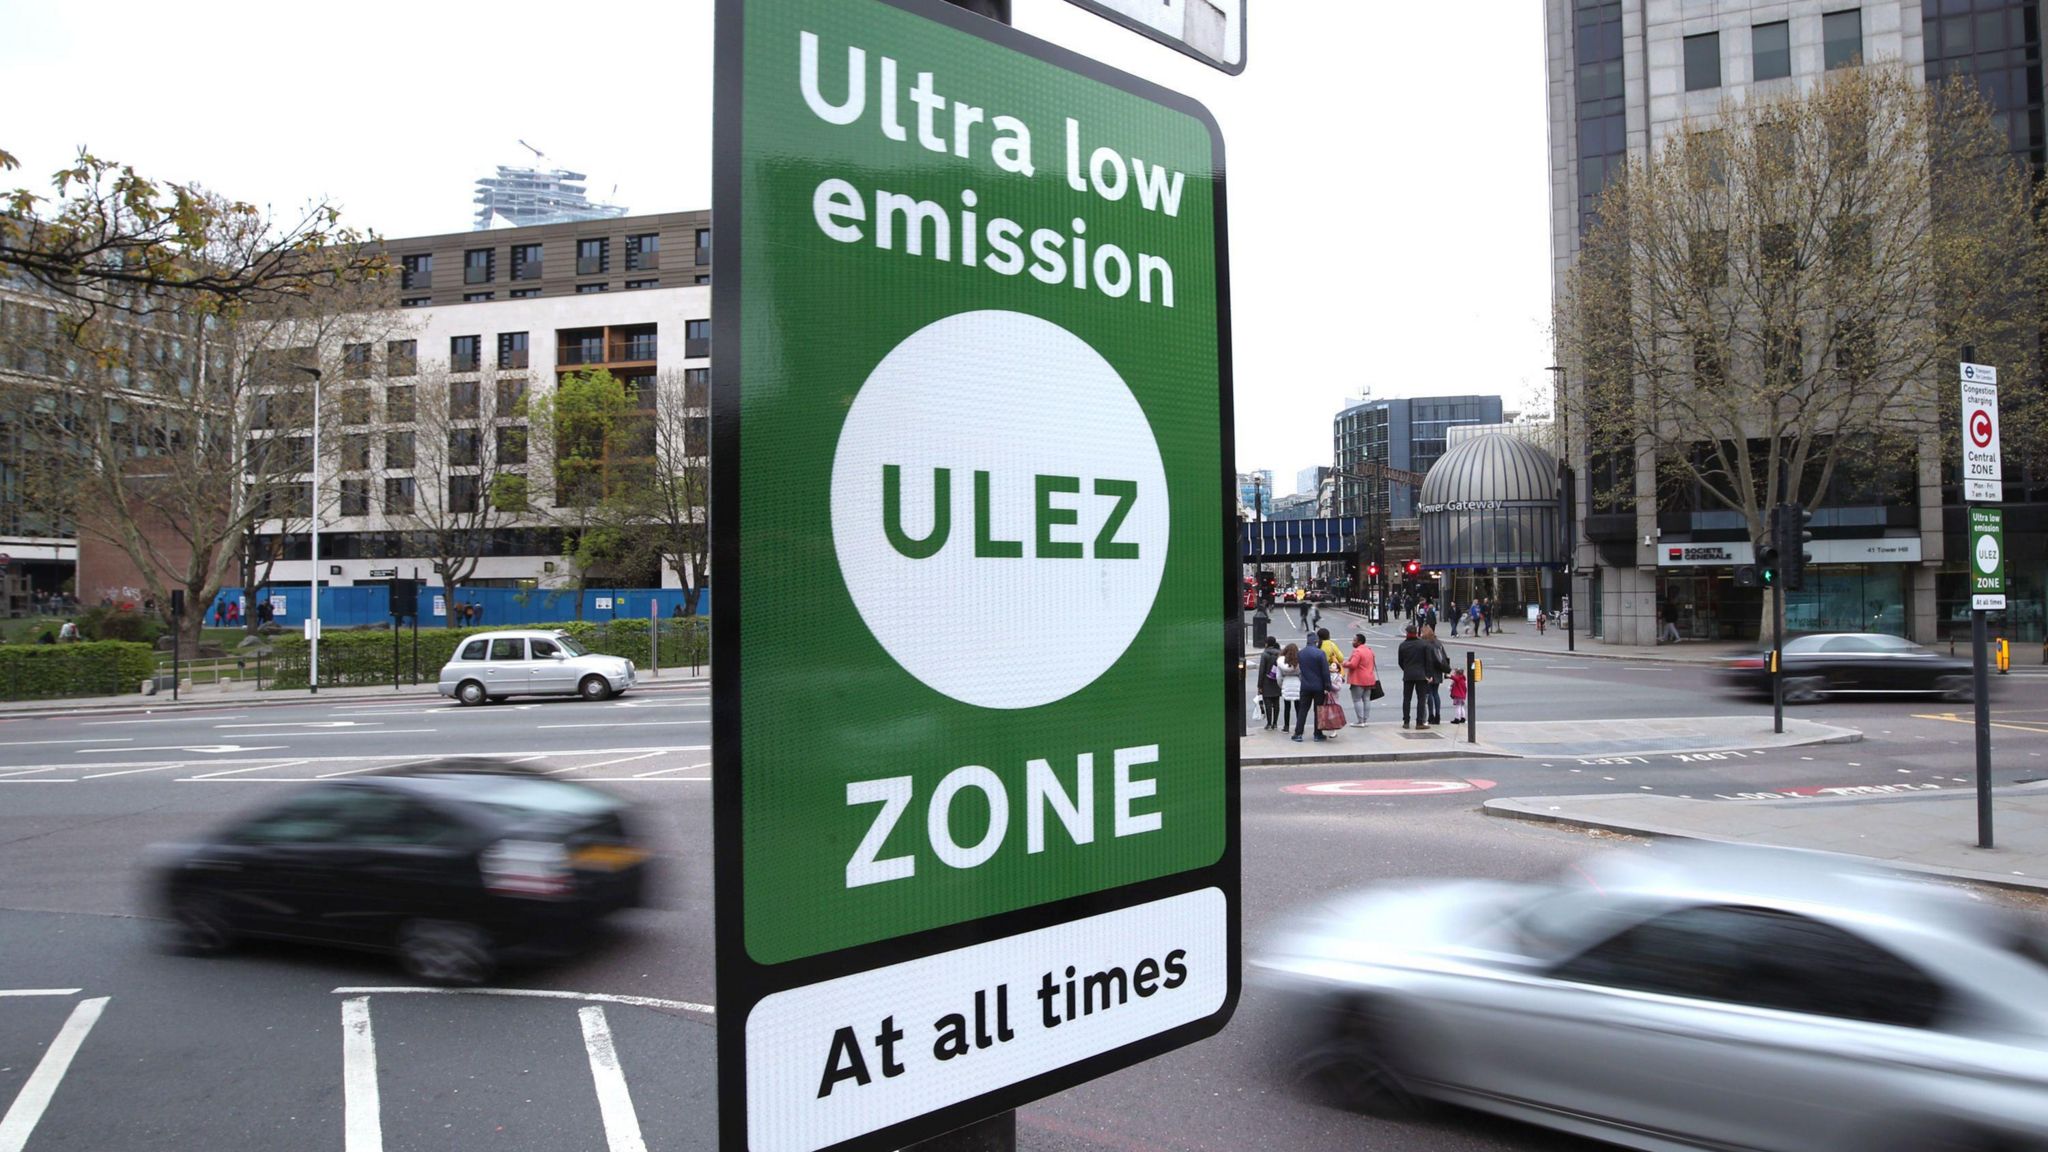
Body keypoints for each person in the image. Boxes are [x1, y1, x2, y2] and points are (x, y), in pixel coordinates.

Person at [1293, 629, 1333, 742]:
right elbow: (1325, 672)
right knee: (1318, 710)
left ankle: (1298, 733)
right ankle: (1317, 734)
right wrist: (1328, 686)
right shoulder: (1320, 653)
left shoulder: (1300, 653)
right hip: (1318, 686)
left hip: (1305, 686)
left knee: (1303, 710)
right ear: (1316, 641)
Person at [1397, 625, 1432, 730]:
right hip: (1421, 675)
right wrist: (1428, 674)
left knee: (1407, 699)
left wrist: (1406, 669)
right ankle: (1419, 722)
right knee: (1421, 699)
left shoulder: (1402, 645)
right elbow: (1428, 661)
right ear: (1417, 632)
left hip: (1408, 675)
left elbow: (1400, 662)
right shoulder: (1423, 644)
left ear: (1407, 633)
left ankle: (1406, 721)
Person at [1345, 633, 1377, 726]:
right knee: (1366, 699)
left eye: (1354, 640)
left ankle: (1360, 721)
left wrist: (1344, 663)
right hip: (1370, 678)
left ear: (1359, 642)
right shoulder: (1370, 650)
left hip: (1358, 679)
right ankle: (1365, 720)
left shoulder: (1357, 651)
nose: (1353, 642)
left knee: (1357, 700)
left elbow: (1353, 664)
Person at [1423, 625, 1449, 725]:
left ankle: (1431, 715)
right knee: (1436, 693)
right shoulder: (1438, 643)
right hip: (1438, 670)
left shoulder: (1426, 644)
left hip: (1429, 671)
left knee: (1429, 693)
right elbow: (1444, 657)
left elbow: (1426, 659)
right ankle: (1438, 715)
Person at [1256, 636, 1283, 730]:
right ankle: (1275, 723)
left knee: (1267, 703)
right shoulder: (1280, 653)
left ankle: (1269, 723)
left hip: (1266, 682)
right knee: (1276, 703)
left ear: (1267, 643)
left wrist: (1259, 685)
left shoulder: (1265, 654)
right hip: (1277, 681)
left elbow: (1261, 671)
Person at [1278, 642, 1302, 733]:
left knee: (1287, 707)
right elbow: (1302, 674)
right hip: (1297, 683)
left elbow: (1278, 677)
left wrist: (1281, 685)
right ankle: (1299, 727)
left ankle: (1286, 726)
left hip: (1286, 682)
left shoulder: (1281, 662)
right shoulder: (1299, 661)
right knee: (1298, 707)